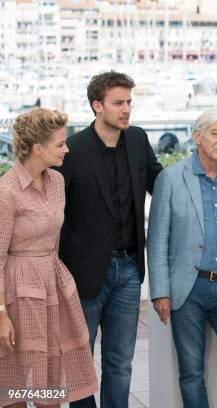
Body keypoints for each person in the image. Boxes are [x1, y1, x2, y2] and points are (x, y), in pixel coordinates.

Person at [56, 71, 162, 408]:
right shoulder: (71, 150)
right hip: (82, 273)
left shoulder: (139, 140)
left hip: (129, 270)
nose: (127, 109)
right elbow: (52, 212)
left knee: (120, 365)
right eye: (119, 103)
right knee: (80, 364)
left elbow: (162, 186)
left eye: (129, 102)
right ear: (97, 106)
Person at [147, 109, 217, 408]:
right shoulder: (171, 179)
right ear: (197, 137)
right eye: (215, 134)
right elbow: (157, 239)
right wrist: (160, 292)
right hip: (189, 288)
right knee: (191, 371)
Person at [0, 108, 98, 407]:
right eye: (60, 144)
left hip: (53, 288)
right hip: (17, 291)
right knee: (15, 383)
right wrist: (1, 313)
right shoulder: (6, 192)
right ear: (38, 148)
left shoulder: (56, 182)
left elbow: (54, 241)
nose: (67, 149)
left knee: (51, 382)